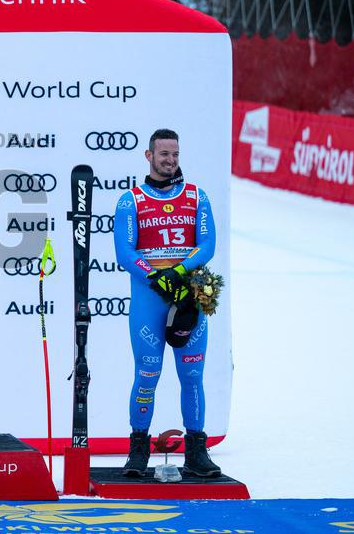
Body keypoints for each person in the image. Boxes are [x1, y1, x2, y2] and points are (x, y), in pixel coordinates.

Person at [113, 128, 221, 478]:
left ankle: (196, 451)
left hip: (189, 294)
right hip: (150, 297)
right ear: (149, 156)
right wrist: (155, 275)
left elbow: (207, 245)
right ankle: (138, 450)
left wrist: (177, 272)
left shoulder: (197, 196)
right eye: (164, 155)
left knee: (192, 375)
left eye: (175, 154)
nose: (171, 160)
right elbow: (124, 252)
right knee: (147, 375)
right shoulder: (131, 200)